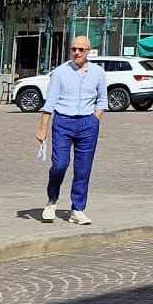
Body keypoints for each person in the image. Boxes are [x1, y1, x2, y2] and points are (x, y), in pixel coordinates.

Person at [36, 36, 108, 226]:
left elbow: (102, 100)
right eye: (73, 49)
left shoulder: (98, 73)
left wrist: (95, 119)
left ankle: (77, 209)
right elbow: (50, 102)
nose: (76, 52)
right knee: (59, 164)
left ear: (88, 51)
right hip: (63, 122)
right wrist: (42, 128)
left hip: (87, 123)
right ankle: (51, 201)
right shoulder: (60, 72)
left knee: (83, 169)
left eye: (81, 49)